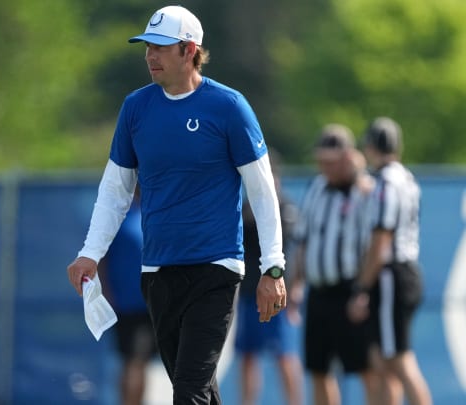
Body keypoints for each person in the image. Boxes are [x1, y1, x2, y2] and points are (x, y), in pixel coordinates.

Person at [66, 5, 287, 404]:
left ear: (189, 50)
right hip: (158, 273)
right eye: (147, 47)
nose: (150, 56)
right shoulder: (136, 108)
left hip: (215, 270)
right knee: (198, 389)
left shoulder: (229, 106)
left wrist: (273, 266)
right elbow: (115, 190)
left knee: (187, 392)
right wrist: (89, 253)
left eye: (160, 47)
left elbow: (262, 190)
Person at [290, 124, 382, 405]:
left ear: (348, 157)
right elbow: (303, 241)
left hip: (350, 291)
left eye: (330, 161)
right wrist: (295, 283)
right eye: (321, 160)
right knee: (319, 369)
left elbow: (375, 245)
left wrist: (363, 290)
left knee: (366, 368)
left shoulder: (366, 191)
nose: (324, 166)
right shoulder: (316, 187)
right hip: (318, 292)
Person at [348, 117, 433, 405]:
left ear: (371, 146)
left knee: (398, 360)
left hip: (389, 275)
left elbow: (380, 241)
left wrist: (362, 287)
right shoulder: (405, 178)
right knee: (382, 361)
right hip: (403, 271)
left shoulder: (386, 183)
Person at [234, 152, 304, 405]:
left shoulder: (285, 209)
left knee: (284, 355)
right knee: (248, 355)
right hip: (248, 295)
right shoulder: (245, 208)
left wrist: (296, 288)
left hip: (278, 295)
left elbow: (296, 253)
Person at [98, 190, 158, 405]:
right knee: (134, 362)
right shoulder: (120, 217)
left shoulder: (154, 215)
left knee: (137, 362)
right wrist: (106, 291)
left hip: (151, 303)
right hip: (130, 304)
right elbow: (101, 258)